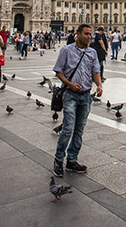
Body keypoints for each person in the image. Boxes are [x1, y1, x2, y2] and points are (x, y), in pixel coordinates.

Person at [53, 24, 102, 178]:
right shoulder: (66, 50)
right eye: (86, 34)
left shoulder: (92, 52)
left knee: (79, 129)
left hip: (86, 95)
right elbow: (58, 71)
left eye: (90, 34)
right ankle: (59, 159)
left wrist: (99, 85)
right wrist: (69, 84)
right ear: (78, 34)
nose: (89, 37)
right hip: (70, 94)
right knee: (68, 128)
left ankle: (72, 160)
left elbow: (96, 71)